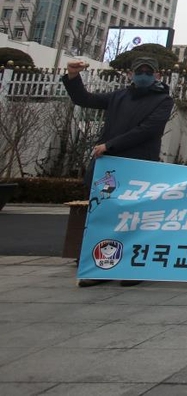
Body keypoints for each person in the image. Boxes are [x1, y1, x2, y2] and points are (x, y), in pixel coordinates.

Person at [62, 55, 173, 288]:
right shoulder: (118, 97)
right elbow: (84, 99)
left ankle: (133, 267)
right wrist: (73, 76)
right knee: (105, 217)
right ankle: (102, 267)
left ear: (157, 76)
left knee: (137, 219)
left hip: (139, 167)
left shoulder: (163, 101)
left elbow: (147, 130)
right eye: (139, 71)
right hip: (109, 168)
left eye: (148, 72)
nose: (143, 75)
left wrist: (110, 145)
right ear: (130, 75)